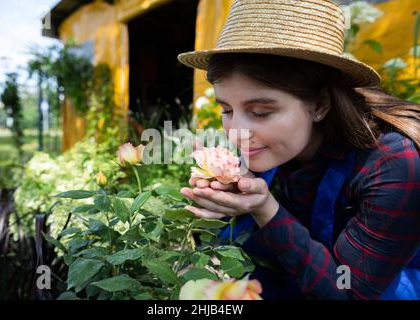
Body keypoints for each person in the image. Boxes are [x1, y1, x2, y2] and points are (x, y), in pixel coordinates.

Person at [178, 0, 420, 300]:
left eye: (261, 112)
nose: (238, 133)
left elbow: (349, 291)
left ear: (320, 105)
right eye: (226, 109)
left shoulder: (392, 163)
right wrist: (225, 199)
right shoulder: (277, 142)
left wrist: (265, 208)